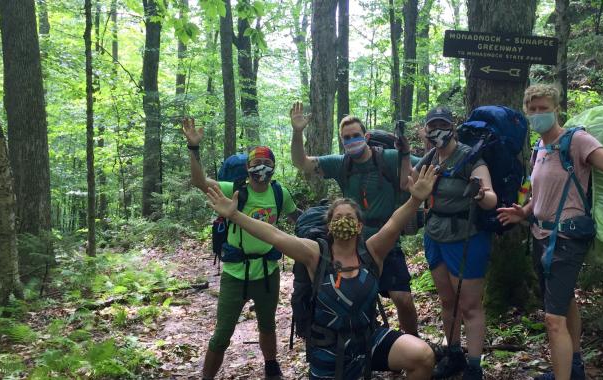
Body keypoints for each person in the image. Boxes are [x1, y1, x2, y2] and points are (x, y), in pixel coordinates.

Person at [205, 166, 439, 380]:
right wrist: (235, 216)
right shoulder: (316, 254)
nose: (344, 222)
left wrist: (415, 198)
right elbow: (275, 235)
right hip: (328, 350)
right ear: (329, 226)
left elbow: (394, 223)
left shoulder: (372, 251)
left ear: (359, 226)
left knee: (422, 356)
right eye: (338, 218)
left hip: (368, 340)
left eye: (350, 218)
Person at [496, 84, 603, 380]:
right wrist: (523, 212)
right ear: (527, 112)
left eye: (545, 108)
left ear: (557, 109)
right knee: (564, 302)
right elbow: (539, 194)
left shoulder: (577, 140)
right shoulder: (539, 147)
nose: (539, 114)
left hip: (565, 240)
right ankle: (574, 365)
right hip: (541, 238)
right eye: (534, 109)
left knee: (553, 320)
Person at [182, 118, 300, 380]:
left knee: (267, 325)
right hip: (235, 274)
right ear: (247, 168)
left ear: (274, 167)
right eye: (257, 164)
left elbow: (297, 219)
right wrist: (193, 149)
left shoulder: (281, 194)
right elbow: (199, 181)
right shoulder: (233, 190)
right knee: (222, 333)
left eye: (268, 164)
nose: (262, 168)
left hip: (268, 272)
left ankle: (272, 367)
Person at [289, 102, 420, 336]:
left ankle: (412, 344)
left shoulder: (390, 158)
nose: (351, 141)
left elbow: (425, 168)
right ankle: (364, 347)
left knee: (403, 299)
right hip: (352, 243)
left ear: (366, 136)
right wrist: (297, 132)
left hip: (386, 240)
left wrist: (407, 154)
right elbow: (302, 163)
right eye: (346, 138)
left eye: (355, 136)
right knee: (358, 300)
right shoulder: (341, 164)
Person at [413, 106, 498, 380]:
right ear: (426, 131)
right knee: (448, 300)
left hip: (466, 238)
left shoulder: (471, 157)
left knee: (470, 305)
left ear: (453, 128)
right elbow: (410, 184)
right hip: (435, 235)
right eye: (432, 126)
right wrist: (405, 151)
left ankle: (474, 366)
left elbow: (491, 199)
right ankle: (453, 354)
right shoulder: (429, 158)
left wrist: (480, 193)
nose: (438, 130)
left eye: (443, 125)